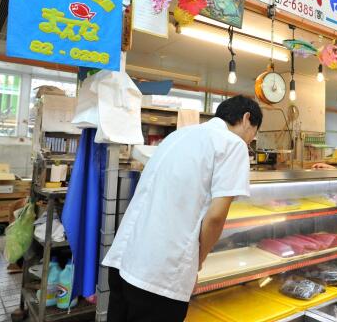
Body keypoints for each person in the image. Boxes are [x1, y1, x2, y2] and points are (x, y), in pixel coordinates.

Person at [102, 95, 262, 322]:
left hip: (123, 263)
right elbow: (216, 217)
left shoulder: (178, 136)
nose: (249, 141)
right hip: (160, 278)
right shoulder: (232, 144)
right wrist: (196, 264)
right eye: (252, 135)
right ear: (247, 118)